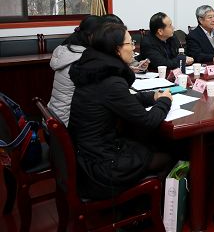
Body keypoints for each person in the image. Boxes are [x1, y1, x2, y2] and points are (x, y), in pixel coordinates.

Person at [68, 22, 174, 199]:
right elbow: (148, 121)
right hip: (101, 166)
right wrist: (165, 101)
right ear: (116, 49)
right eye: (130, 43)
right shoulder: (110, 81)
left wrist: (152, 97)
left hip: (86, 153)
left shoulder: (94, 69)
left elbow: (121, 101)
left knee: (146, 143)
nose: (133, 48)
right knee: (168, 157)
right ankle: (148, 208)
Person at [48, 15, 103, 126]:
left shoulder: (66, 50)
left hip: (55, 114)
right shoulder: (83, 58)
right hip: (68, 121)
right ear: (92, 35)